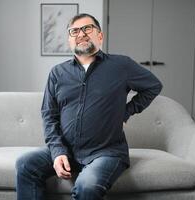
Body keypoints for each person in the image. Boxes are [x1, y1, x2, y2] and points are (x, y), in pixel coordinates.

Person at [15, 13, 163, 200]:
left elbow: (153, 86)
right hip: (67, 149)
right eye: (74, 31)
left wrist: (126, 112)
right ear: (69, 40)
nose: (81, 34)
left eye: (87, 28)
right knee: (25, 164)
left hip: (106, 152)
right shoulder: (58, 73)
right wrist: (57, 151)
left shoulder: (121, 66)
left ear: (100, 36)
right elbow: (49, 114)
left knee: (87, 186)